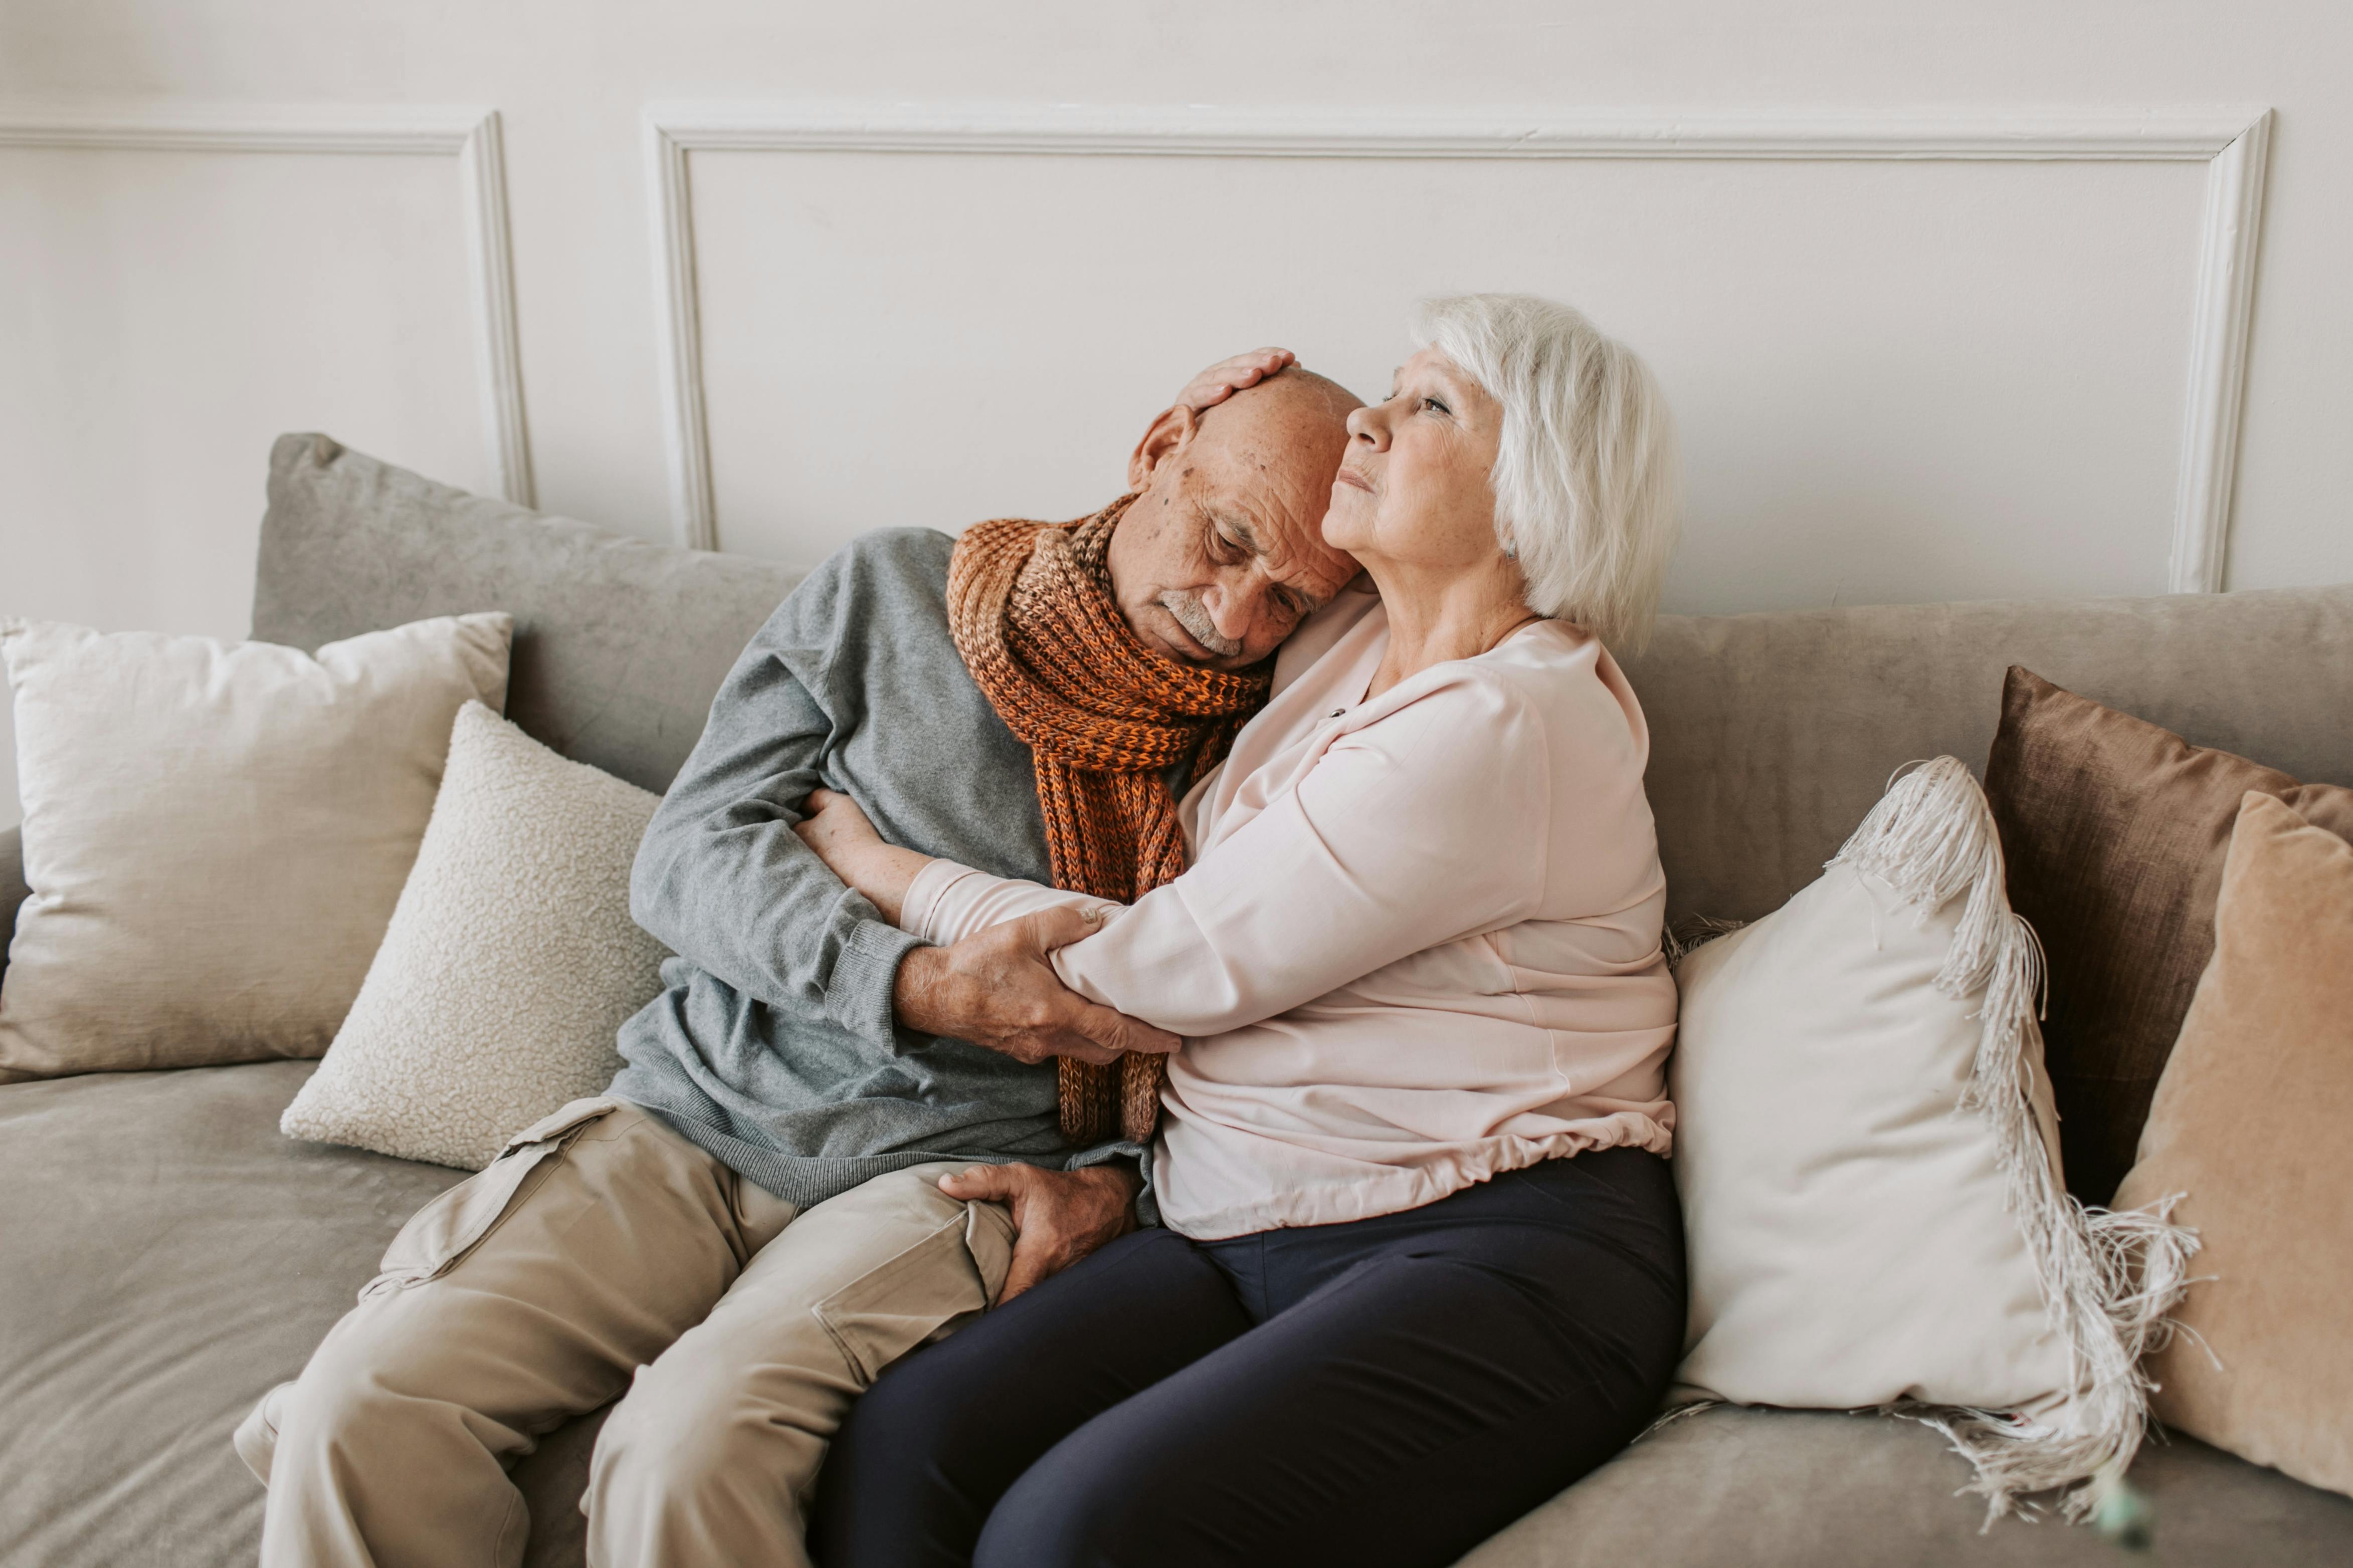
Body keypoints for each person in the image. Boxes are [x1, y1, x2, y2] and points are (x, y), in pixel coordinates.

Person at [233, 358, 1363, 1568]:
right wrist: (909, 984)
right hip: (689, 1114)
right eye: (1230, 539)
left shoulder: (1281, 746)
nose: (1237, 618)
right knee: (358, 1409)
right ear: (1157, 450)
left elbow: (1261, 1033)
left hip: (946, 1176)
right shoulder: (894, 594)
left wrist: (1117, 1188)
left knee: (683, 1448)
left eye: (1289, 600)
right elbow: (688, 857)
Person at [798, 293, 1689, 1568]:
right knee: (908, 1446)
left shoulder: (1510, 722)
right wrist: (1194, 415)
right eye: (1390, 387)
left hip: (1500, 1250)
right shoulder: (1336, 643)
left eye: (1429, 405)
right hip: (1236, 1230)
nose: (1368, 422)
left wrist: (878, 870)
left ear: (1536, 491)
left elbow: (1149, 974)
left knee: (1070, 1535)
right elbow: (1145, 582)